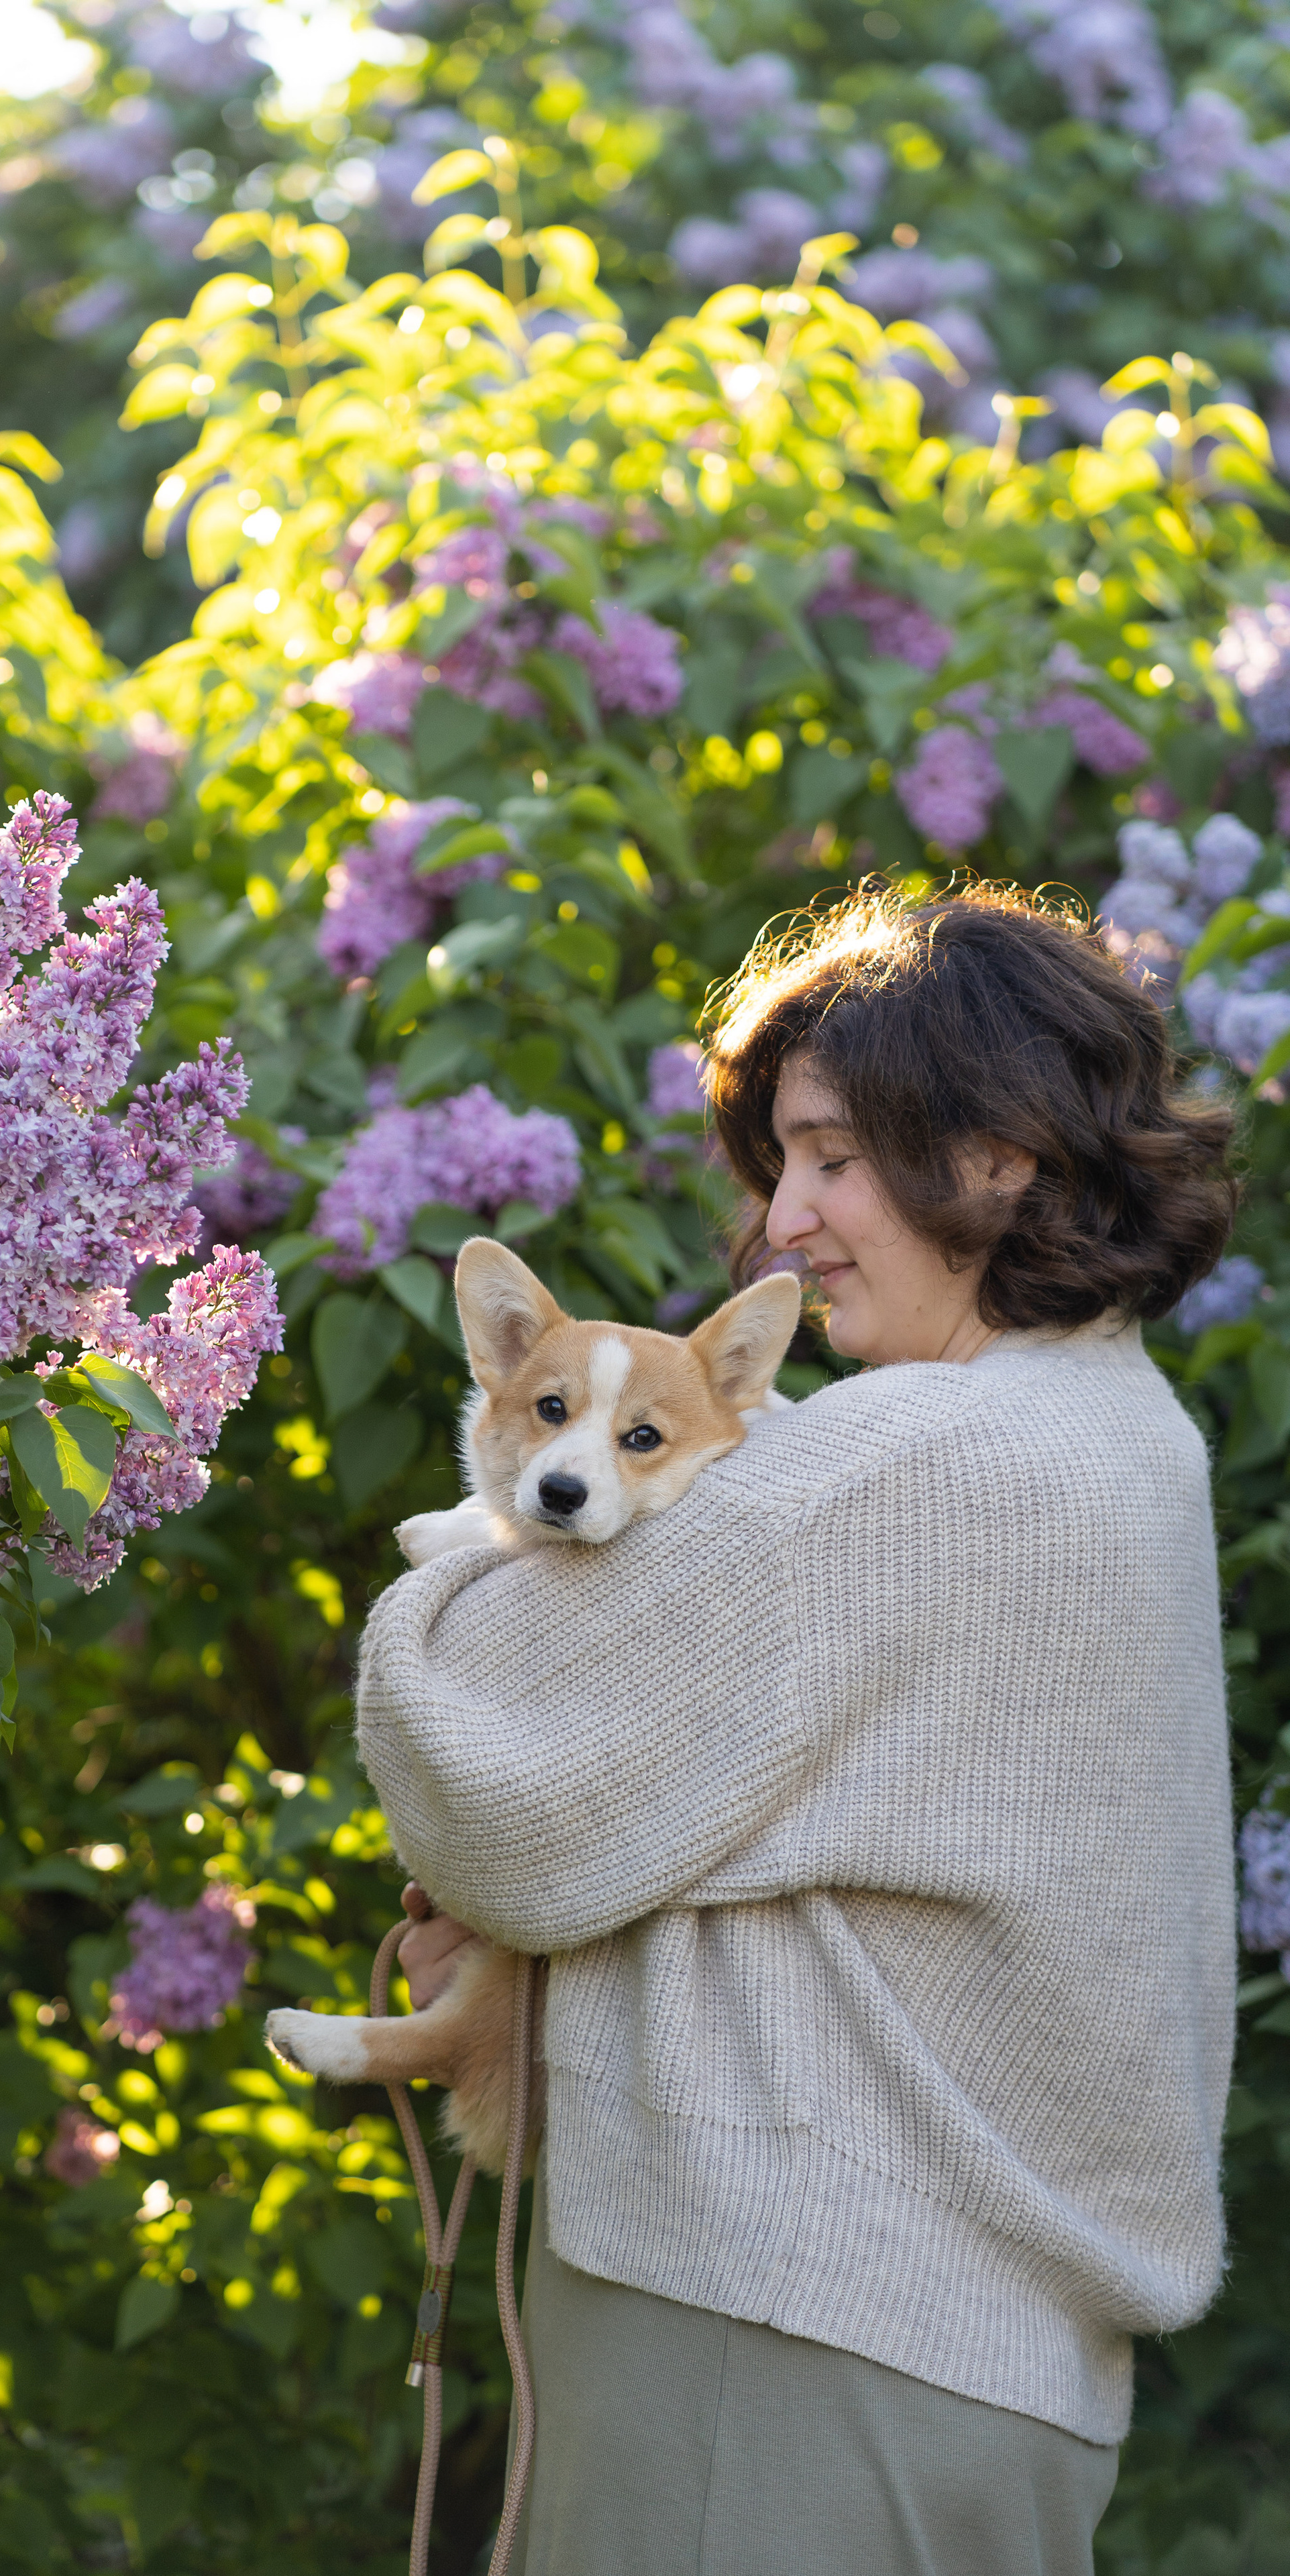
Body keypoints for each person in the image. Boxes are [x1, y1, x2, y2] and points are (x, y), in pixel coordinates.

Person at [358, 885, 1240, 2576]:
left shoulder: (904, 1460)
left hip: (775, 2338)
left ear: (997, 1155)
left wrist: (441, 1577)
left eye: (831, 1155)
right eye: (781, 1164)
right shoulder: (1124, 1435)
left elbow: (481, 1759)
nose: (785, 1219)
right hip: (981, 2372)